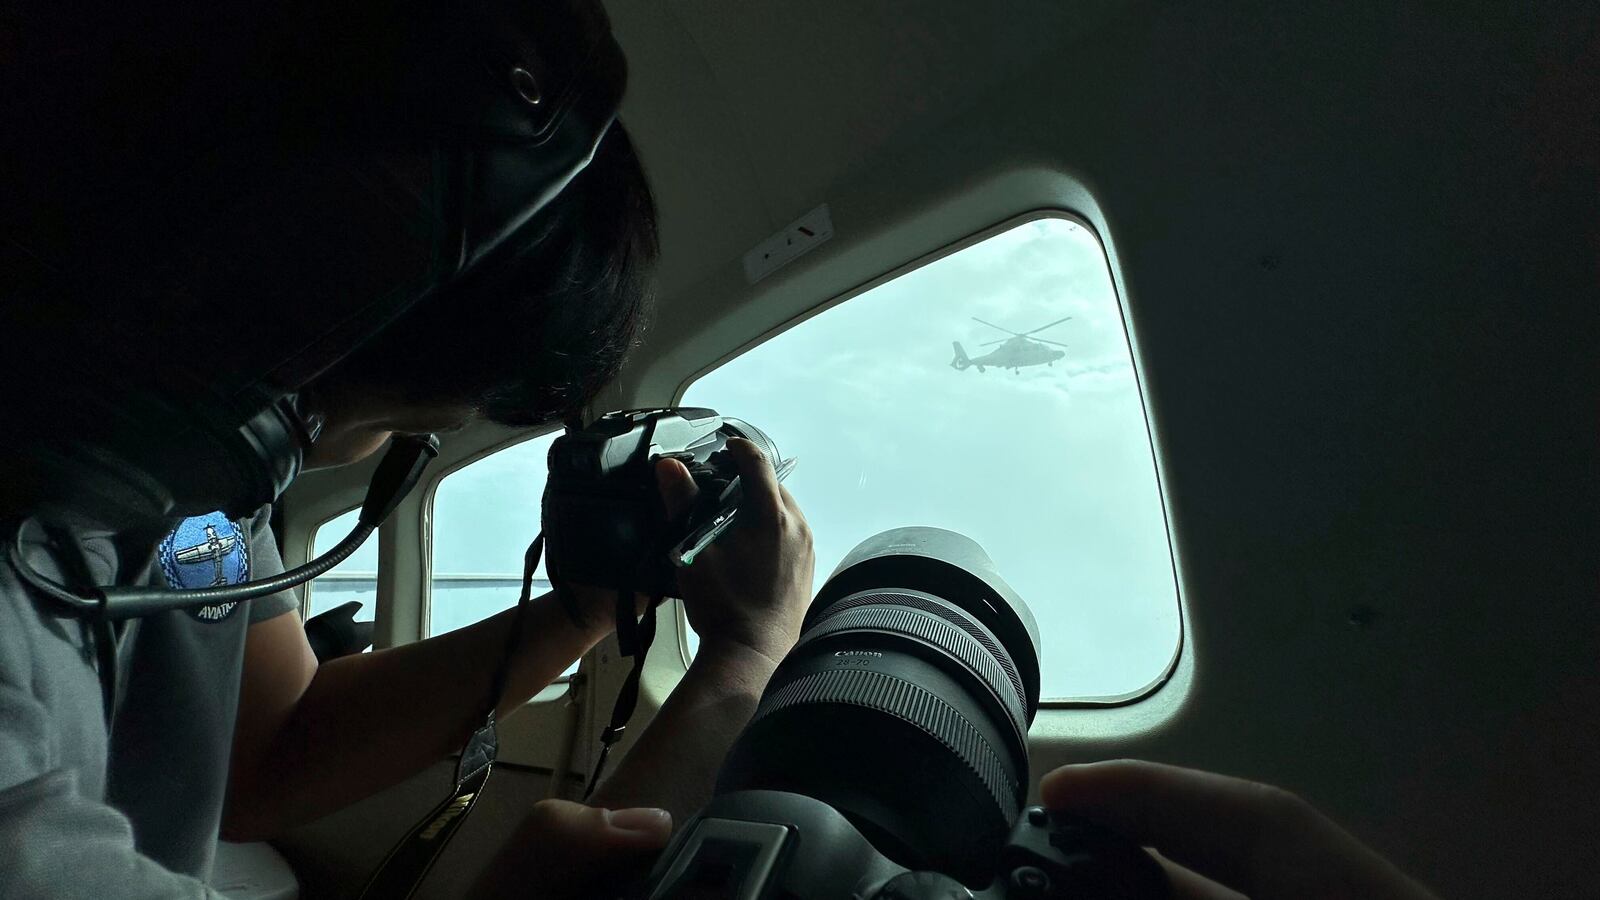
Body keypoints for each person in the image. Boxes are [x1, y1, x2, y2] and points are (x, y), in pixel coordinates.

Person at [0, 100, 817, 900]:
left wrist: (587, 606)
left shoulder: (207, 505)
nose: (370, 447)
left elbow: (272, 749)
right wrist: (748, 656)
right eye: (389, 419)